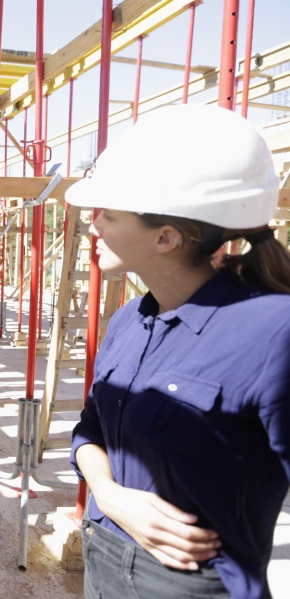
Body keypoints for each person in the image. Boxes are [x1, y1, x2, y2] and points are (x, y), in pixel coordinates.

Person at [66, 104, 290, 598]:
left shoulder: (273, 333)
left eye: (108, 214)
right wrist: (110, 495)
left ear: (166, 237)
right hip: (104, 561)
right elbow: (90, 431)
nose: (91, 225)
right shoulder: (130, 319)